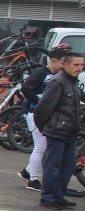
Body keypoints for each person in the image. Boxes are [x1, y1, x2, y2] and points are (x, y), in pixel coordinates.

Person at [33, 51, 84, 210]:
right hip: (57, 132)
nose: (79, 68)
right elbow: (43, 109)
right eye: (76, 65)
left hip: (70, 132)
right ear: (65, 65)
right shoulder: (58, 82)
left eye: (82, 65)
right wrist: (45, 128)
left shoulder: (73, 82)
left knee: (68, 166)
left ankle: (59, 196)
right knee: (53, 166)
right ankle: (48, 198)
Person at [20, 46, 68, 192]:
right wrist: (38, 103)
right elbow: (26, 88)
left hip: (43, 113)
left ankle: (27, 172)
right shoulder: (41, 72)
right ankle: (33, 179)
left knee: (44, 146)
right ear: (54, 61)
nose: (64, 66)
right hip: (34, 113)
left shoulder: (58, 76)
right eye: (63, 63)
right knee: (41, 147)